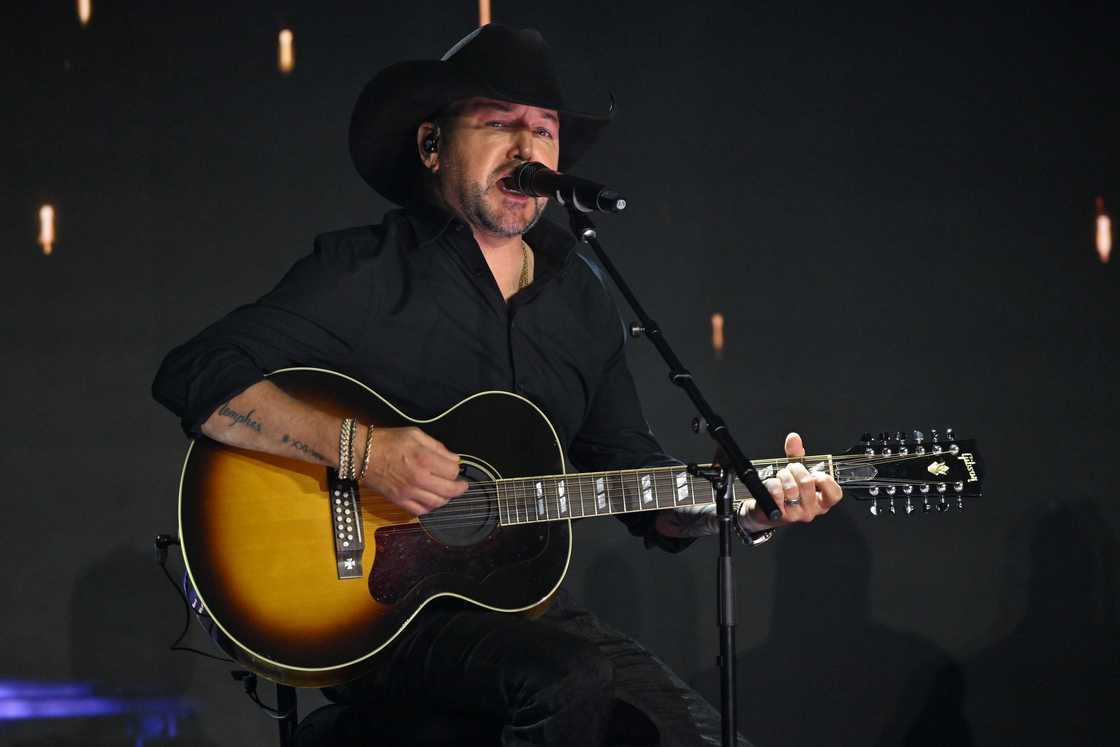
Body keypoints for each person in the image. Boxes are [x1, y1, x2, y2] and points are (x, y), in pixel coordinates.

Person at [152, 24, 843, 747]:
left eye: (543, 130)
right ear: (432, 146)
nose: (527, 148)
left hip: (519, 612)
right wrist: (364, 450)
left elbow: (634, 482)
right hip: (377, 615)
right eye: (497, 123)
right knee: (566, 678)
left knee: (698, 736)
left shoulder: (583, 298)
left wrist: (739, 504)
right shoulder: (367, 272)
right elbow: (195, 373)